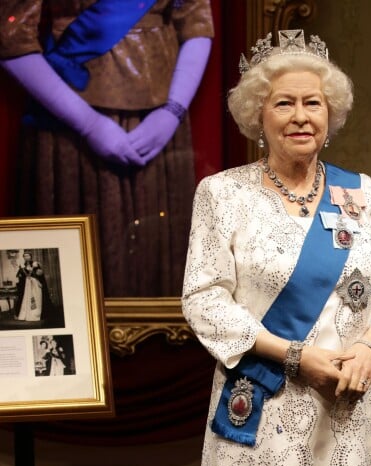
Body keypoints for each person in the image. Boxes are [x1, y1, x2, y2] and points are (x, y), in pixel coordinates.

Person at [181, 29, 371, 466]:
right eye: (283, 103)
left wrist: (368, 348)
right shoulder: (223, 194)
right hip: (268, 403)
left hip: (350, 404)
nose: (300, 115)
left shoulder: (359, 193)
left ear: (330, 113)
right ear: (256, 116)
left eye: (313, 102)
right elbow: (204, 299)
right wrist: (292, 355)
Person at [0, 1, 214, 297]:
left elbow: (196, 24)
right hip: (68, 124)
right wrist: (88, 123)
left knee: (159, 259)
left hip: (158, 124)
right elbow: (11, 38)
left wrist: (171, 112)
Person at [15, 251, 50, 322]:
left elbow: (40, 274)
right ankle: (27, 313)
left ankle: (35, 313)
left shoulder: (35, 264)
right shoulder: (22, 265)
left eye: (27, 256)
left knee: (35, 297)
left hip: (35, 283)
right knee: (27, 298)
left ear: (31, 256)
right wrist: (21, 273)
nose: (26, 257)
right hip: (26, 284)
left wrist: (34, 271)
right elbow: (19, 275)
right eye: (25, 256)